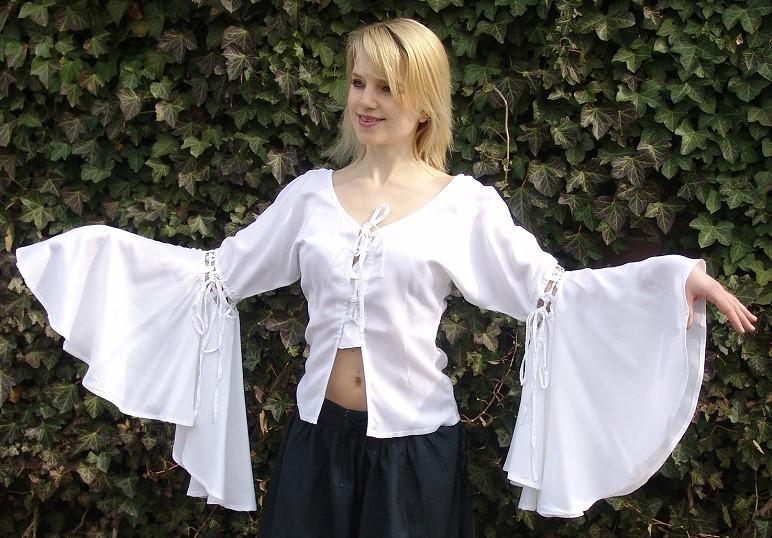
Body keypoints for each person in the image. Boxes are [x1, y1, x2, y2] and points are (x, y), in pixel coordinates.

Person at [14, 17, 755, 538]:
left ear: (423, 100)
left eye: (386, 87)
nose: (366, 101)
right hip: (317, 443)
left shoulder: (463, 206)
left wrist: (672, 279)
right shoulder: (309, 197)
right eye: (358, 83)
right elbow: (216, 277)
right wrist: (94, 256)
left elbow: (552, 292)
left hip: (415, 451)